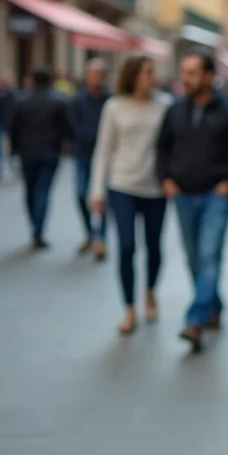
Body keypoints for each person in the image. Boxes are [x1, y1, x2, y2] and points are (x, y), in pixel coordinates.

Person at [156, 53, 228, 352]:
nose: (185, 79)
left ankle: (194, 320)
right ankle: (213, 304)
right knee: (194, 257)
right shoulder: (175, 110)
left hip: (214, 196)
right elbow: (162, 148)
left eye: (192, 73)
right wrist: (165, 178)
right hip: (183, 195)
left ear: (209, 76)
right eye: (184, 72)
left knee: (209, 255)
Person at [89, 56, 169, 335]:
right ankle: (129, 307)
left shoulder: (165, 106)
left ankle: (150, 290)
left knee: (154, 247)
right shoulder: (114, 107)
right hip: (121, 185)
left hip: (155, 188)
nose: (153, 77)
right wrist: (97, 190)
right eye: (148, 72)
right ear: (133, 75)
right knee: (126, 247)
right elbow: (104, 150)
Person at [9, 67, 73, 249]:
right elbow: (67, 128)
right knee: (42, 191)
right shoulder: (58, 101)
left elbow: (13, 127)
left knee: (31, 190)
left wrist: (14, 148)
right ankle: (38, 228)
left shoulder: (22, 100)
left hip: (28, 151)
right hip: (49, 151)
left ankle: (35, 226)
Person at [71, 59, 110, 259]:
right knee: (81, 194)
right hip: (83, 154)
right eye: (91, 74)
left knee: (102, 198)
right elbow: (72, 124)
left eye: (97, 74)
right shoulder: (79, 99)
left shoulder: (109, 100)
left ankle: (101, 238)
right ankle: (90, 233)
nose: (94, 78)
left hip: (104, 156)